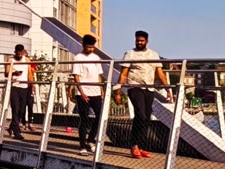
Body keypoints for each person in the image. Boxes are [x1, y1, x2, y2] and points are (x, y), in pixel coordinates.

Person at [119, 30, 167, 159]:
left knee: (146, 118)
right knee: (140, 115)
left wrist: (168, 90)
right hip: (134, 87)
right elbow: (123, 73)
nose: (139, 43)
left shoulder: (154, 54)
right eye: (137, 40)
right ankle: (134, 145)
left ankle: (140, 147)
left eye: (142, 41)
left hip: (149, 89)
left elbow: (160, 73)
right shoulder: (130, 54)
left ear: (147, 41)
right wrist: (118, 91)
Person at [69, 34, 111, 150]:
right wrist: (82, 93)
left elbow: (99, 75)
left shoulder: (96, 57)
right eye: (89, 47)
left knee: (100, 115)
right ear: (83, 45)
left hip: (95, 91)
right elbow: (76, 76)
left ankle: (91, 140)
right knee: (84, 119)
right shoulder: (78, 58)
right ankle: (83, 146)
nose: (91, 49)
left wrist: (101, 89)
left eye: (93, 47)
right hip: (83, 92)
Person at [5, 44, 36, 140]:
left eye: (20, 54)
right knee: (15, 109)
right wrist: (14, 73)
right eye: (17, 54)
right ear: (15, 52)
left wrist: (32, 85)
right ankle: (17, 132)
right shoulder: (10, 60)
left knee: (21, 110)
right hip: (14, 87)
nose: (19, 56)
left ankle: (11, 128)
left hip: (24, 87)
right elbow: (6, 74)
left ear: (23, 52)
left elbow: (29, 73)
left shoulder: (27, 60)